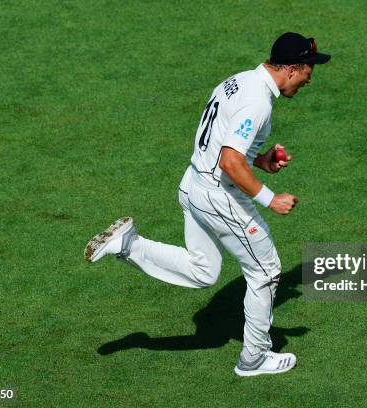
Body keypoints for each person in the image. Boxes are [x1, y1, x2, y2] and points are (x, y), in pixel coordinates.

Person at [84, 32, 331, 376]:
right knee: (266, 270)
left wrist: (260, 161)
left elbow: (225, 146)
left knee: (204, 271)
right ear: (291, 68)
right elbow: (230, 162)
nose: (310, 79)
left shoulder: (238, 81)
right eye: (308, 70)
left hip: (193, 183)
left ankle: (127, 245)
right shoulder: (257, 102)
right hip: (218, 196)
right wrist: (269, 198)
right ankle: (254, 358)